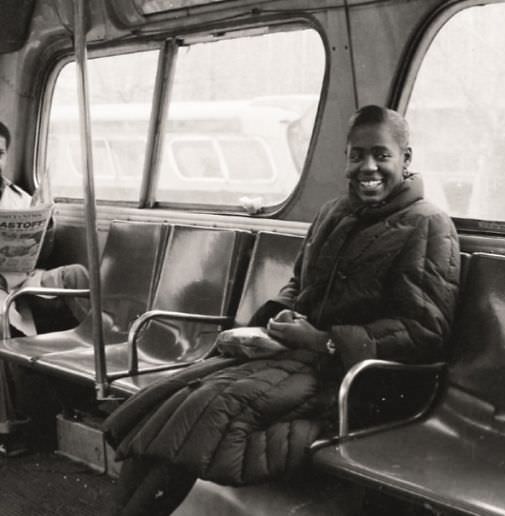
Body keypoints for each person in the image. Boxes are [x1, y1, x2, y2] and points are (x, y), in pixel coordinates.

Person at [104, 105, 461, 516]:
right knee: (167, 399)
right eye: (356, 154)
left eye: (381, 155)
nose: (368, 167)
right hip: (295, 359)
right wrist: (274, 321)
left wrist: (325, 342)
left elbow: (424, 331)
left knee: (208, 411)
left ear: (406, 159)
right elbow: (299, 284)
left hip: (358, 379)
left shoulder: (428, 225)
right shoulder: (334, 213)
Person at [0, 121, 89, 336]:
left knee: (77, 275)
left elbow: (40, 258)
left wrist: (45, 227)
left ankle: (97, 345)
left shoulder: (21, 200)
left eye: (0, 154)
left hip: (22, 280)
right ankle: (14, 367)